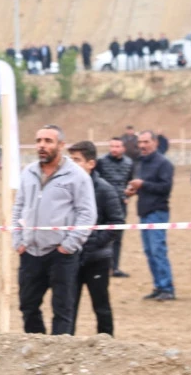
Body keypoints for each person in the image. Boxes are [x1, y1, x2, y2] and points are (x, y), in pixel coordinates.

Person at [11, 125, 96, 335]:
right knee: (27, 306)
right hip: (30, 251)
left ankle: (59, 351)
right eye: (39, 141)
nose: (42, 145)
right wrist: (18, 240)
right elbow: (18, 207)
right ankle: (37, 347)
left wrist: (68, 246)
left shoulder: (77, 176)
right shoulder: (28, 172)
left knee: (62, 309)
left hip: (60, 254)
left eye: (48, 141)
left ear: (61, 145)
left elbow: (87, 214)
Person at [66, 141, 121, 336]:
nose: (72, 164)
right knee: (68, 305)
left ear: (91, 163)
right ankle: (65, 343)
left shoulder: (105, 190)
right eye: (70, 160)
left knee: (101, 305)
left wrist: (94, 242)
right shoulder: (66, 187)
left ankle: (107, 342)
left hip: (97, 259)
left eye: (77, 160)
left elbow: (117, 222)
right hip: (70, 256)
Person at [126, 131, 175, 300]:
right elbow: (144, 186)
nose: (142, 145)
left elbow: (165, 188)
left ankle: (167, 288)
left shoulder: (164, 163)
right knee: (149, 251)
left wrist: (143, 184)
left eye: (146, 142)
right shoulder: (141, 162)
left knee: (158, 251)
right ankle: (158, 286)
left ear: (155, 142)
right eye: (140, 142)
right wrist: (133, 190)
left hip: (158, 212)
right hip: (144, 212)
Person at [95, 137, 134, 277]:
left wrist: (128, 195)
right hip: (103, 206)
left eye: (117, 146)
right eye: (112, 146)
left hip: (120, 205)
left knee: (117, 237)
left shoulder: (129, 163)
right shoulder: (101, 162)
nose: (114, 149)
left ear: (123, 148)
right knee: (102, 236)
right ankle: (103, 266)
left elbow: (130, 182)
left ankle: (115, 267)